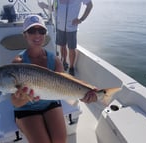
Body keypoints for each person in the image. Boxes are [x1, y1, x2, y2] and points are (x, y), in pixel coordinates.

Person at [10, 15, 97, 143]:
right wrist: (23, 98)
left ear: (46, 34)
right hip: (26, 108)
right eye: (32, 31)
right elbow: (15, 102)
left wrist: (86, 92)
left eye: (41, 31)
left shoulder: (55, 60)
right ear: (25, 35)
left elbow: (65, 84)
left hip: (50, 103)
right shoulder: (18, 63)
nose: (37, 34)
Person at [39, 0, 93, 76]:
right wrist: (45, 6)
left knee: (72, 48)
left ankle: (71, 67)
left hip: (71, 27)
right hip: (60, 26)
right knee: (62, 46)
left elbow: (90, 5)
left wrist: (81, 19)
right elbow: (54, 7)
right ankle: (64, 62)